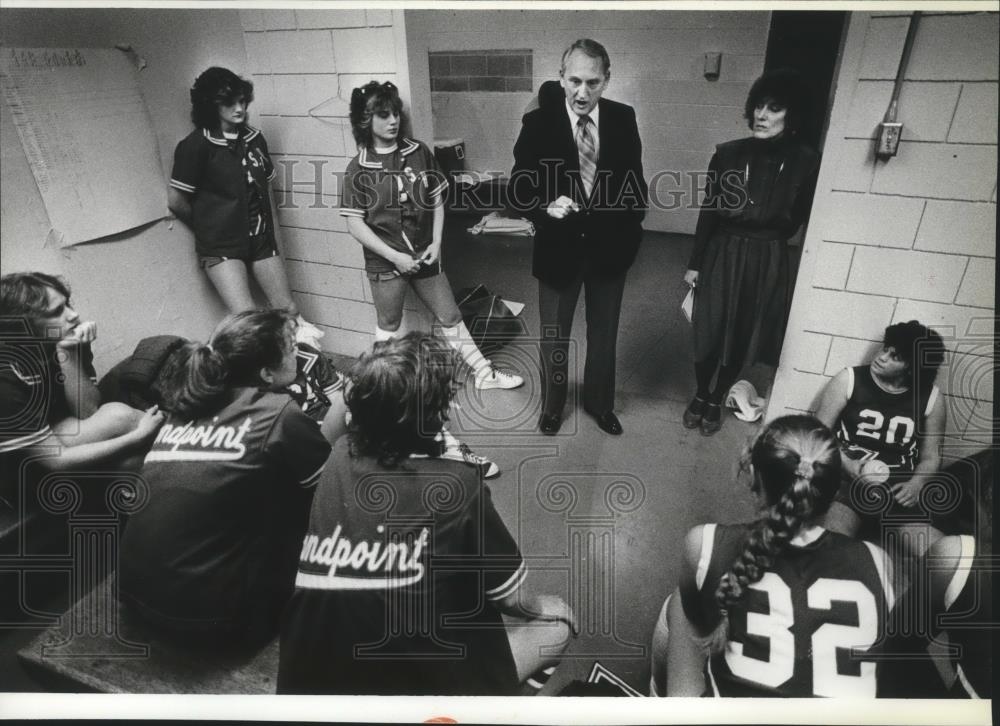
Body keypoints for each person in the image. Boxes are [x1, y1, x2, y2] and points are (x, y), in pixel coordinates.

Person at [278, 333, 577, 695]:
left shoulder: (338, 456)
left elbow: (335, 428)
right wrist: (547, 604)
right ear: (438, 413)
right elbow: (512, 598)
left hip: (309, 690)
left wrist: (364, 384)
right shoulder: (458, 484)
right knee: (558, 625)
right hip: (414, 701)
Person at [118, 310, 336, 649]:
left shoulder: (186, 405)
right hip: (218, 623)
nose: (297, 352)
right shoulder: (278, 412)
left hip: (135, 600)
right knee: (317, 500)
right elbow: (328, 495)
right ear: (266, 373)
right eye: (292, 346)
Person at [651, 415, 896, 697]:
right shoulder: (879, 561)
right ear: (833, 492)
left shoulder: (706, 542)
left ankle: (657, 694)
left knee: (680, 602)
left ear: (754, 478)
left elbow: (698, 615)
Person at [342, 81, 522, 392]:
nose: (393, 120)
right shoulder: (358, 168)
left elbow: (438, 199)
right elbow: (355, 225)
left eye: (395, 113)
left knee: (450, 314)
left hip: (426, 252)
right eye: (383, 115)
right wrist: (395, 257)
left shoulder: (418, 152)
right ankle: (377, 388)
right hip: (386, 260)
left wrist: (437, 242)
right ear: (365, 121)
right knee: (388, 325)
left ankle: (485, 375)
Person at [512, 38, 648, 436]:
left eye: (592, 82)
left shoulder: (624, 118)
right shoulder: (538, 124)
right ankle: (553, 407)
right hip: (559, 251)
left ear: (607, 80)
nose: (581, 92)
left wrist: (631, 238)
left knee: (604, 336)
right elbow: (519, 189)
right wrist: (543, 207)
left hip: (610, 251)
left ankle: (600, 405)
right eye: (574, 81)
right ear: (561, 77)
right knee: (555, 337)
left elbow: (634, 185)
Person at [682, 69, 821, 435]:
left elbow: (799, 217)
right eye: (758, 106)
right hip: (722, 250)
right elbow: (708, 212)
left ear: (791, 115)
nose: (761, 114)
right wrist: (695, 263)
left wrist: (766, 236)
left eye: (773, 108)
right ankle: (701, 392)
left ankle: (717, 397)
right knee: (708, 327)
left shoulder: (807, 162)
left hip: (766, 256)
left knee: (742, 331)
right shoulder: (728, 154)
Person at [167, 67, 319, 338]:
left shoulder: (254, 139)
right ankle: (269, 377)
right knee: (248, 321)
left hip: (260, 237)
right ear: (210, 105)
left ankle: (306, 372)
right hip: (221, 244)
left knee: (288, 309)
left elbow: (268, 195)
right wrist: (210, 228)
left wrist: (274, 242)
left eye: (242, 101)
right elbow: (177, 201)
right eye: (229, 102)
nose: (239, 108)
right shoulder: (196, 146)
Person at [0, 272, 164, 485]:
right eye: (57, 311)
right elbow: (56, 461)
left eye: (67, 303)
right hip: (17, 465)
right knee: (122, 418)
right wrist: (137, 436)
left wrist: (67, 355)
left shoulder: (64, 338)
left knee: (127, 450)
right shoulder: (6, 378)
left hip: (53, 429)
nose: (74, 315)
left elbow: (87, 411)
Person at [815, 320, 947, 557]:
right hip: (849, 481)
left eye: (895, 356)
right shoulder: (849, 379)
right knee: (830, 552)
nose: (882, 357)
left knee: (947, 556)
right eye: (885, 348)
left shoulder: (932, 399)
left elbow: (931, 456)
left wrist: (917, 483)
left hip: (898, 487)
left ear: (912, 368)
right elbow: (818, 432)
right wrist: (847, 464)